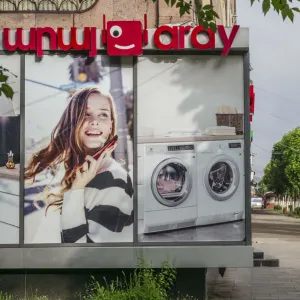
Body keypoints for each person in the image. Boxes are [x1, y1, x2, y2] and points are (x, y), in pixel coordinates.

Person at [24, 87, 134, 243]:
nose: (94, 121)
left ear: (111, 125)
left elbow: (85, 256)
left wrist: (76, 190)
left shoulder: (114, 181)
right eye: (85, 114)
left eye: (103, 114)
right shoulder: (81, 173)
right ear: (73, 123)